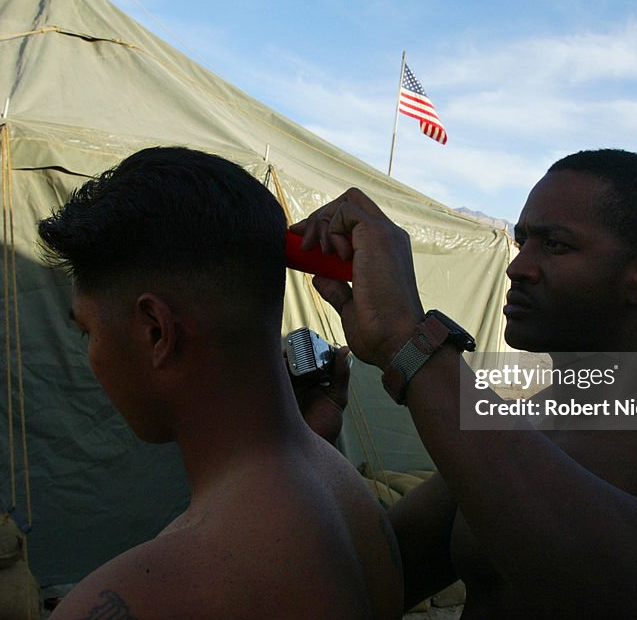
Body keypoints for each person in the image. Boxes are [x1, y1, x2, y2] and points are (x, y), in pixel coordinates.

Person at [293, 149, 637, 618]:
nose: (519, 267)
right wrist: (306, 440)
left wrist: (413, 343)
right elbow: (365, 582)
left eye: (556, 246)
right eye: (522, 242)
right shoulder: (517, 432)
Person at [37, 147, 402, 619]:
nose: (91, 356)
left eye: (87, 330)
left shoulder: (144, 596)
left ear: (155, 331)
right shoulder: (356, 507)